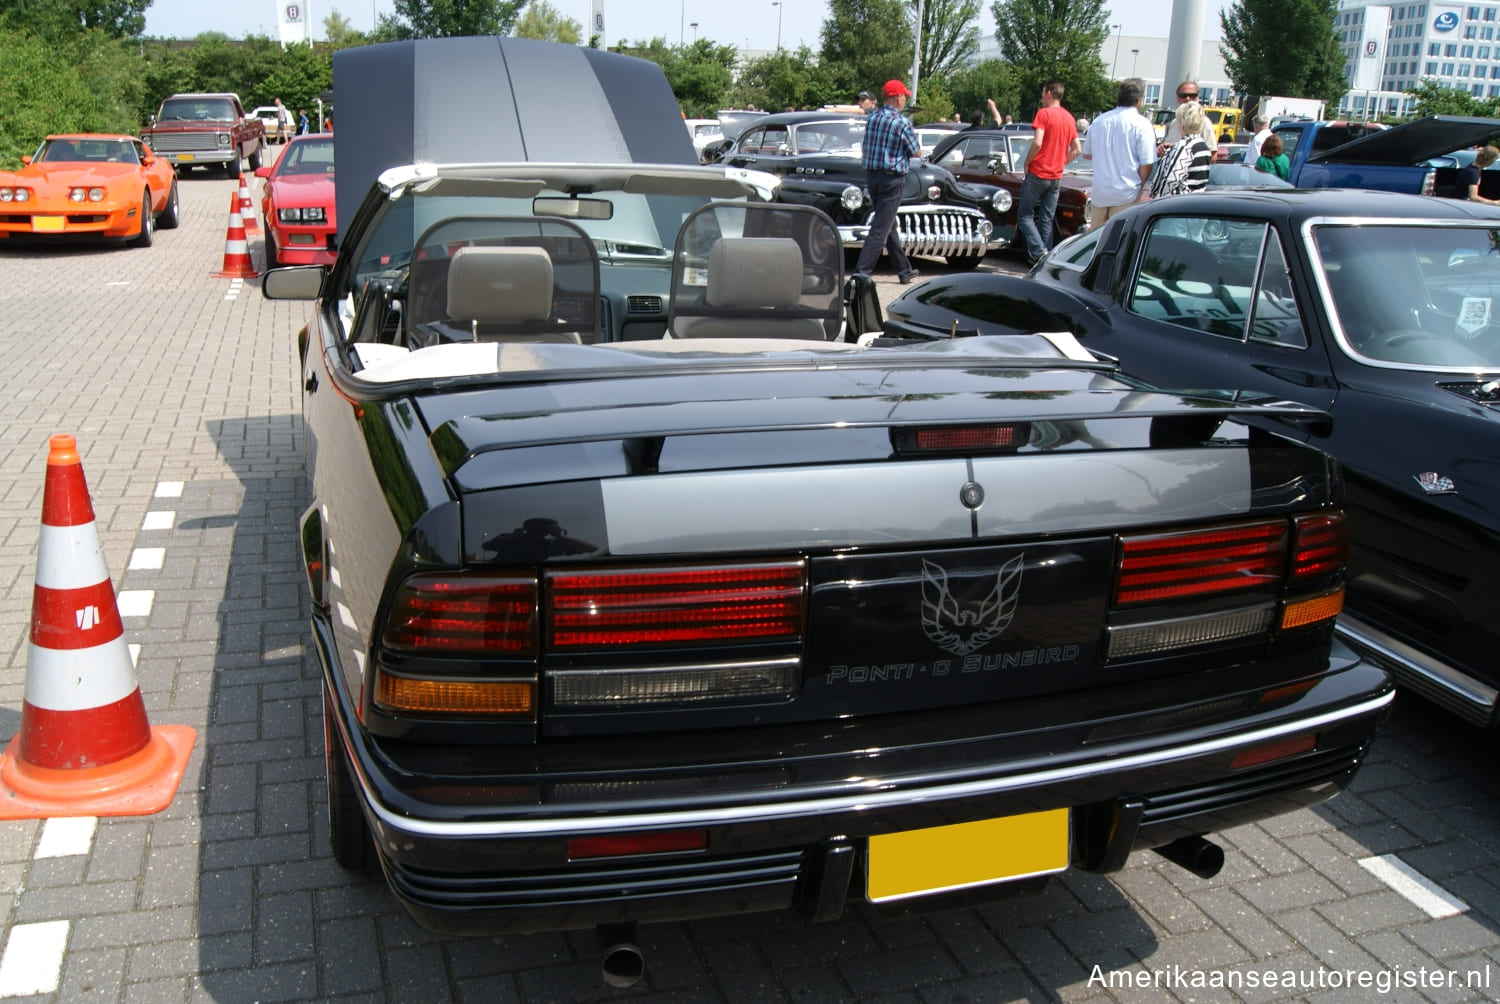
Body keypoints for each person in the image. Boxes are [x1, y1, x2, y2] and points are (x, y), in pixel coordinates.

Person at [853, 79, 921, 284]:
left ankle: (904, 269)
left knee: (887, 224)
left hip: (873, 177)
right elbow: (915, 150)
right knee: (880, 229)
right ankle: (860, 273)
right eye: (903, 96)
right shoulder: (901, 122)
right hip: (892, 178)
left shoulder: (873, 118)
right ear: (897, 97)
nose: (904, 100)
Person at [1015, 79, 1081, 263]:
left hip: (1039, 171)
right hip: (1056, 175)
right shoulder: (1069, 118)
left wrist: (1027, 162)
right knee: (1047, 218)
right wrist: (1062, 162)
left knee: (1025, 215)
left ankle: (1039, 251)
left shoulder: (1043, 114)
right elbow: (1077, 149)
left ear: (1049, 93)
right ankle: (1047, 259)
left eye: (1043, 93)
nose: (1042, 97)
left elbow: (1037, 142)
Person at [1081, 77, 1155, 229]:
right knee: (1121, 240)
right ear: (1139, 100)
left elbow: (1087, 154)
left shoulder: (1099, 121)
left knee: (1095, 240)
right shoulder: (1142, 124)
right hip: (1126, 192)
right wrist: (1139, 185)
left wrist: (1106, 156)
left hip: (1100, 191)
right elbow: (1147, 163)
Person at [1150, 101, 1213, 198]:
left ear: (1181, 122)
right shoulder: (1203, 147)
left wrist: (1158, 198)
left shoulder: (1184, 147)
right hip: (1197, 200)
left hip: (1178, 203)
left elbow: (1172, 178)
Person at [1161, 80, 1217, 151]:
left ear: (1197, 98)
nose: (1188, 99)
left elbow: (1212, 155)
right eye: (1183, 96)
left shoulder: (1204, 122)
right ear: (1177, 98)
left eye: (1192, 96)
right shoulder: (1174, 123)